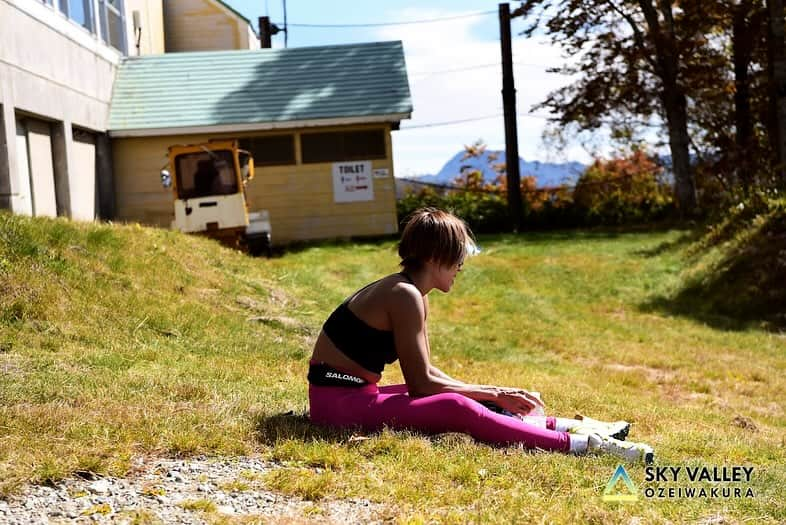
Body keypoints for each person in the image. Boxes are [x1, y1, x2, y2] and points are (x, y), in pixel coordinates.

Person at [307, 208, 654, 463]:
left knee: (468, 397)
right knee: (456, 405)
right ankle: (583, 445)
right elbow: (422, 385)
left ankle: (569, 426)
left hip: (352, 396)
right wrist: (495, 393)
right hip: (338, 406)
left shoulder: (412, 293)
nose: (462, 265)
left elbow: (429, 374)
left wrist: (495, 393)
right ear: (433, 256)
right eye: (458, 256)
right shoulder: (404, 295)